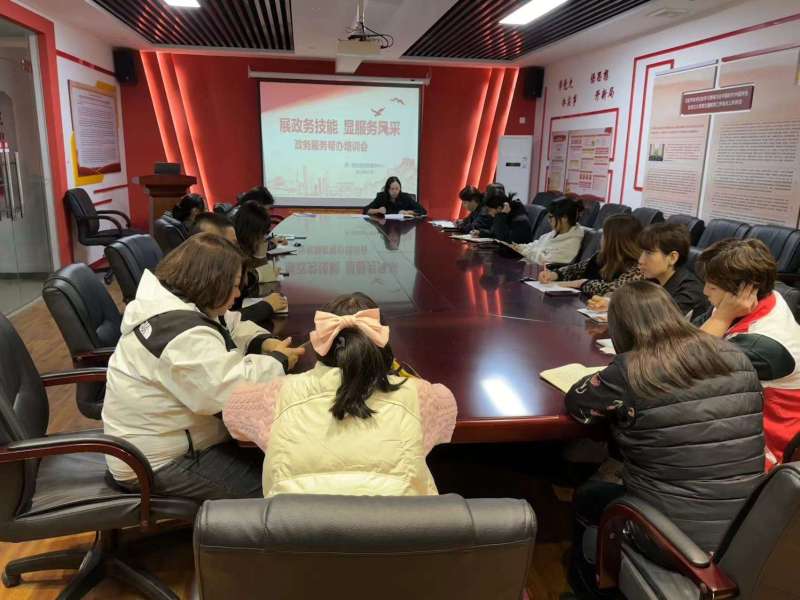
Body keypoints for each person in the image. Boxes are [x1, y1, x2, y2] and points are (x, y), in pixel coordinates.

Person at [565, 280, 764, 598]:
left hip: (673, 538)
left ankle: (586, 583)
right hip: (748, 526)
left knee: (589, 496)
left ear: (620, 329)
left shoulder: (630, 369)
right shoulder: (736, 356)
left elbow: (578, 404)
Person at [102, 234, 306, 500]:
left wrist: (264, 342)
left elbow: (231, 324)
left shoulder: (179, 303)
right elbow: (229, 390)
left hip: (176, 439)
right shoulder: (178, 334)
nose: (237, 294)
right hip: (157, 462)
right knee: (280, 489)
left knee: (283, 461)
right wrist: (278, 362)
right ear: (210, 282)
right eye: (234, 286)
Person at [223, 292, 457, 497]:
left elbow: (232, 411)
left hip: (297, 531)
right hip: (399, 531)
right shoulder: (419, 395)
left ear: (320, 343)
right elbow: (446, 409)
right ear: (382, 343)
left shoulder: (276, 395)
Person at [695, 238, 800, 467]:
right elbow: (685, 338)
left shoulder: (764, 346)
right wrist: (721, 315)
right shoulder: (752, 300)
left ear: (746, 290)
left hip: (762, 447)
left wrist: (721, 318)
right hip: (736, 414)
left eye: (712, 287)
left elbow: (683, 363)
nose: (704, 291)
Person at [587, 222, 708, 316]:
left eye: (649, 253)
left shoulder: (690, 292)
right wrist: (610, 303)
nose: (640, 260)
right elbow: (630, 302)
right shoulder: (652, 280)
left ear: (672, 257)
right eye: (642, 252)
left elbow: (661, 323)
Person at [192, 210, 287, 322]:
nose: (235, 251)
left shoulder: (206, 270)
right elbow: (220, 321)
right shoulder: (197, 285)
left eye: (235, 244)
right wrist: (266, 306)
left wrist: (258, 275)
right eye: (228, 245)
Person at [539, 214, 643, 296]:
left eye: (604, 235)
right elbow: (575, 269)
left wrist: (581, 283)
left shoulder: (638, 267)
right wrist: (554, 275)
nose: (601, 239)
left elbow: (613, 290)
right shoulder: (602, 256)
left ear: (615, 241)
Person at [513, 196, 585, 265]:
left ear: (564, 218)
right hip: (530, 265)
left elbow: (545, 262)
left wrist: (523, 251)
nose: (548, 220)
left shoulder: (571, 244)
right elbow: (536, 244)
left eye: (551, 217)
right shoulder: (556, 233)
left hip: (540, 271)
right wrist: (518, 247)